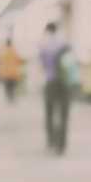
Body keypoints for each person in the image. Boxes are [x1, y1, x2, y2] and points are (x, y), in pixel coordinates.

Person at [39, 22, 72, 155]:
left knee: (50, 112)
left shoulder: (43, 44)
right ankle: (61, 144)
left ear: (47, 30)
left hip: (50, 82)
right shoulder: (64, 42)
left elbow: (42, 64)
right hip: (65, 82)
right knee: (63, 114)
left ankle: (51, 141)